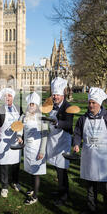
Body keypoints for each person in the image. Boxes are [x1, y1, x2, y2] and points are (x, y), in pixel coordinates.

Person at [73, 87, 107, 214]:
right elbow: (77, 133)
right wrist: (76, 143)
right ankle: (90, 209)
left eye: (93, 103)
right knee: (90, 186)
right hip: (89, 157)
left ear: (99, 103)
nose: (91, 105)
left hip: (105, 158)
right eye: (89, 103)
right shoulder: (83, 119)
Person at [46, 77, 74, 206]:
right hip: (53, 141)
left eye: (57, 94)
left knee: (62, 169)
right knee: (57, 168)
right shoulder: (51, 105)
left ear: (62, 95)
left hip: (63, 141)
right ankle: (60, 191)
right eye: (54, 94)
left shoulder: (68, 107)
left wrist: (57, 122)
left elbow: (68, 124)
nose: (55, 97)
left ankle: (63, 196)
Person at [16, 92, 48, 205]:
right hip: (28, 147)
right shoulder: (24, 116)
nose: (31, 106)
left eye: (33, 104)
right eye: (29, 104)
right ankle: (33, 188)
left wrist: (42, 151)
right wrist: (19, 136)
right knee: (30, 169)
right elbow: (19, 128)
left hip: (37, 147)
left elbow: (44, 135)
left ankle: (35, 196)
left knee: (36, 172)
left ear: (37, 105)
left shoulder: (41, 118)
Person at [0, 87, 22, 198]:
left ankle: (15, 182)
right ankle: (4, 186)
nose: (8, 98)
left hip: (16, 139)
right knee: (5, 164)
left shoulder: (19, 109)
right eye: (6, 96)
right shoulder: (0, 109)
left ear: (13, 98)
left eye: (10, 96)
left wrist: (20, 136)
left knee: (16, 164)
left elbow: (22, 123)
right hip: (3, 140)